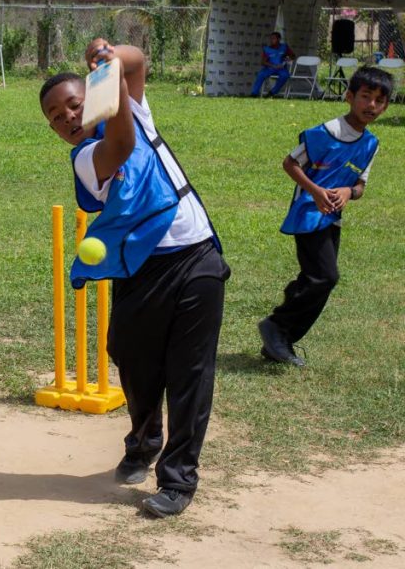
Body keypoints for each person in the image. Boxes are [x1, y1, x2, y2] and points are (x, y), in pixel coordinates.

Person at [39, 39, 230, 518]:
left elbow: (138, 59)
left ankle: (179, 479)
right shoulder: (86, 157)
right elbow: (120, 144)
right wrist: (112, 91)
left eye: (73, 103)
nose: (65, 117)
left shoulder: (136, 108)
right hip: (141, 272)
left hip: (196, 255)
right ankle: (144, 440)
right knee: (133, 361)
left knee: (191, 373)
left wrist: (107, 56)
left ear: (93, 94)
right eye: (54, 115)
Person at [257, 67, 392, 367]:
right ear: (349, 97)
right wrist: (316, 191)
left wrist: (348, 192)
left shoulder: (370, 144)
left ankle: (278, 342)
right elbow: (290, 163)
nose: (371, 105)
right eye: (365, 97)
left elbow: (360, 186)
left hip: (332, 218)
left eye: (379, 101)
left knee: (314, 278)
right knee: (325, 276)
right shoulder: (325, 133)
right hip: (309, 214)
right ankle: (276, 327)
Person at [251, 31, 296, 97]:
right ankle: (254, 94)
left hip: (281, 68)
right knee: (261, 74)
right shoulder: (267, 49)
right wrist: (273, 66)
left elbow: (293, 56)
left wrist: (288, 58)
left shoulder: (284, 47)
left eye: (274, 38)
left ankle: (272, 92)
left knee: (285, 75)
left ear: (279, 39)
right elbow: (263, 62)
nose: (272, 40)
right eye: (271, 38)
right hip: (270, 68)